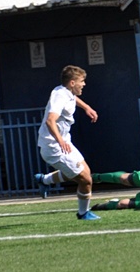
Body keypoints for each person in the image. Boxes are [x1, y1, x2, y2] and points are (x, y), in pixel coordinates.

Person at [33, 65, 100, 220]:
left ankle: (44, 180)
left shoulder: (66, 92)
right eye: (82, 81)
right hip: (54, 146)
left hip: (63, 142)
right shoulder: (60, 96)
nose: (84, 84)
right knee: (85, 179)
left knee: (84, 172)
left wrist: (86, 107)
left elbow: (73, 99)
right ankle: (83, 213)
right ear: (72, 83)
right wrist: (60, 141)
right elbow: (50, 120)